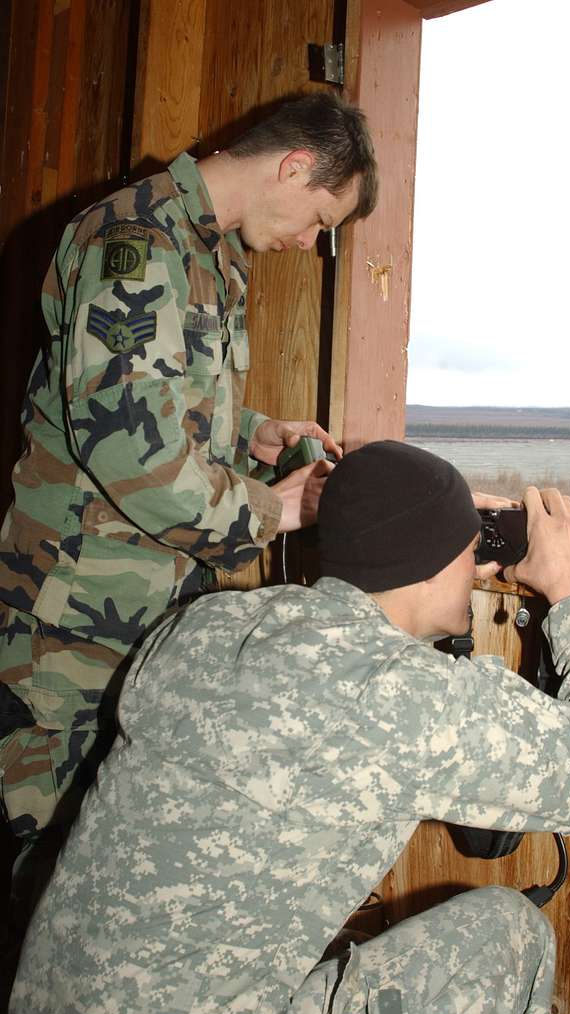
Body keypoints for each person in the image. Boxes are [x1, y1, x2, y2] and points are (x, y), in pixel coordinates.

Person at [11, 441, 570, 1014]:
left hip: (44, 1004)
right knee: (506, 933)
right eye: (469, 552)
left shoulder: (205, 626)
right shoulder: (390, 694)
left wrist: (437, 548)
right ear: (435, 561)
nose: (475, 566)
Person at [0, 92, 377, 965]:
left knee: (110, 865)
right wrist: (270, 508)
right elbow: (125, 445)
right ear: (292, 168)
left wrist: (259, 434)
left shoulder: (205, 253)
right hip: (72, 618)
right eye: (320, 219)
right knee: (53, 877)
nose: (309, 243)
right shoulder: (135, 242)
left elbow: (165, 401)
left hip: (136, 611)